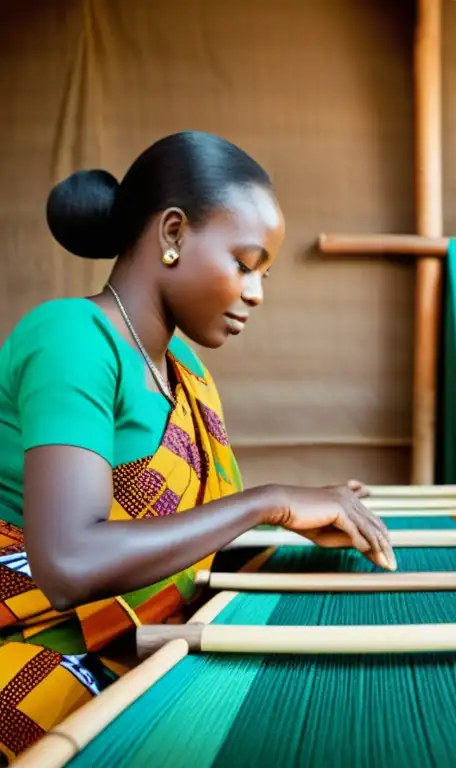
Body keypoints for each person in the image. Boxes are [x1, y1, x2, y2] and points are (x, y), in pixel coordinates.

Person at [0, 131, 396, 759]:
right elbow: (68, 564)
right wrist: (268, 504)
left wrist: (303, 515)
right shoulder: (70, 336)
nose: (257, 292)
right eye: (245, 263)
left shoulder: (182, 366)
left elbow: (190, 544)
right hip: (46, 664)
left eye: (263, 273)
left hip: (152, 651)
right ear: (174, 233)